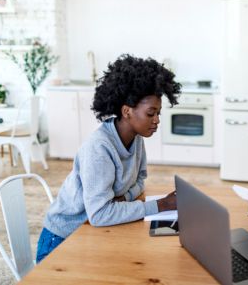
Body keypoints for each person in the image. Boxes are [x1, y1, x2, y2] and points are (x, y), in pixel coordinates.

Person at [36, 55, 181, 263]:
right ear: (127, 111)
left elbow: (140, 180)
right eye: (151, 113)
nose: (157, 120)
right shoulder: (99, 148)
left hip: (90, 232)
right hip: (62, 241)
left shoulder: (136, 138)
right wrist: (160, 205)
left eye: (158, 113)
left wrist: (122, 200)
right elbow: (100, 215)